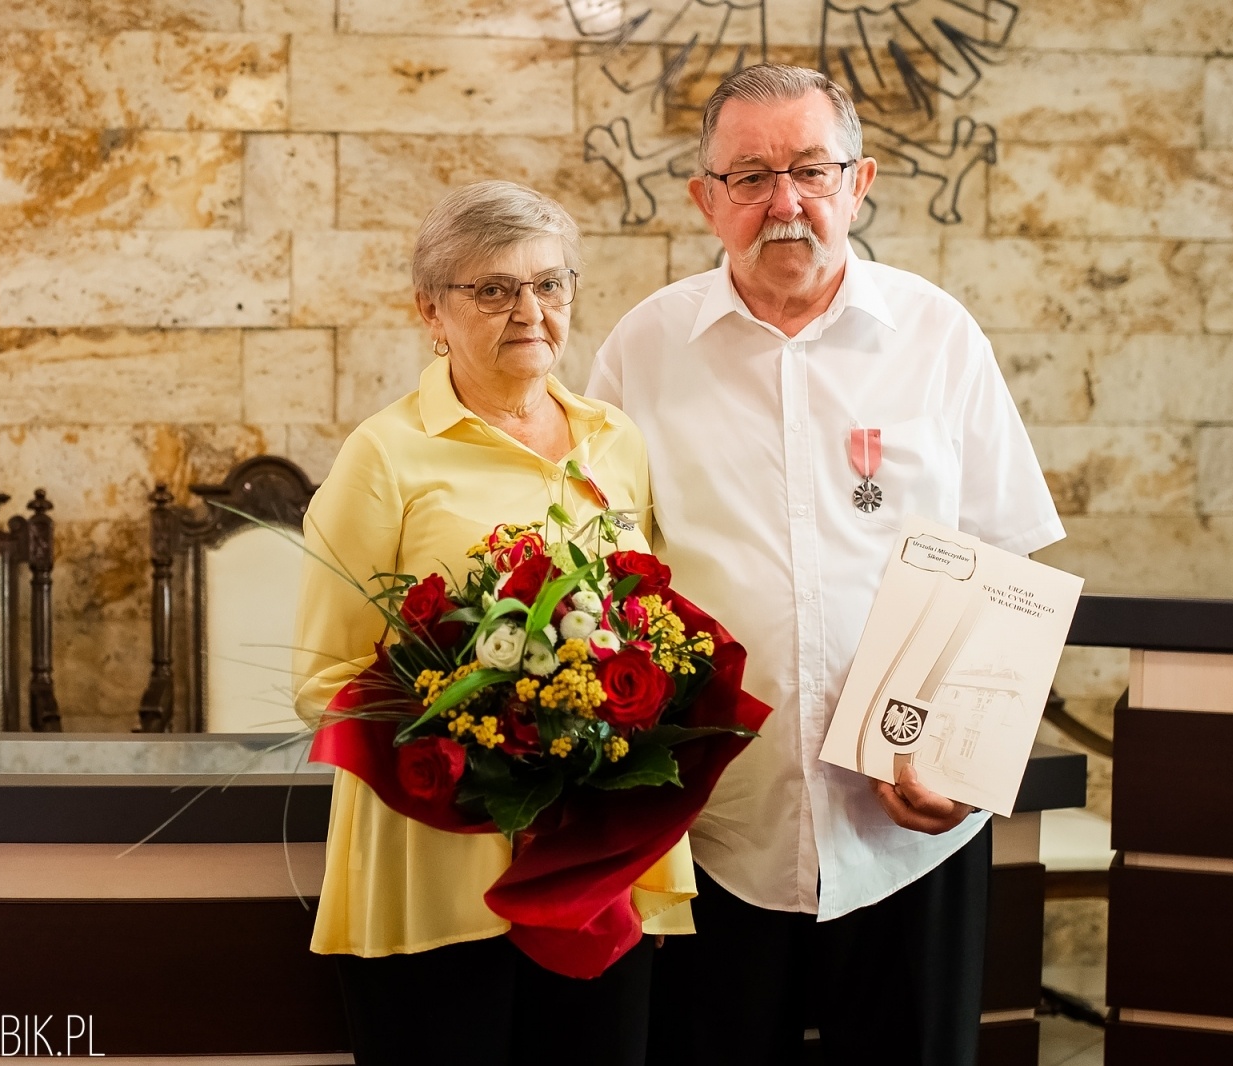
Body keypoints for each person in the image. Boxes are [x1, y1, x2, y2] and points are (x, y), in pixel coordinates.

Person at [586, 65, 1065, 1065]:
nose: (784, 201)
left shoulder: (937, 337)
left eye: (810, 167)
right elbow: (604, 579)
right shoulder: (644, 349)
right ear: (704, 199)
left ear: (860, 181)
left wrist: (968, 765)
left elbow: (1005, 558)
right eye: (750, 174)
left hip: (908, 831)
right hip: (714, 824)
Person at [292, 180, 695, 1066]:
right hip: (437, 875)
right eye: (492, 288)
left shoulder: (615, 442)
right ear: (430, 311)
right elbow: (327, 683)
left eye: (551, 284)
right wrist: (499, 750)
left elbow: (652, 636)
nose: (530, 310)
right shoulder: (385, 455)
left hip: (598, 869)